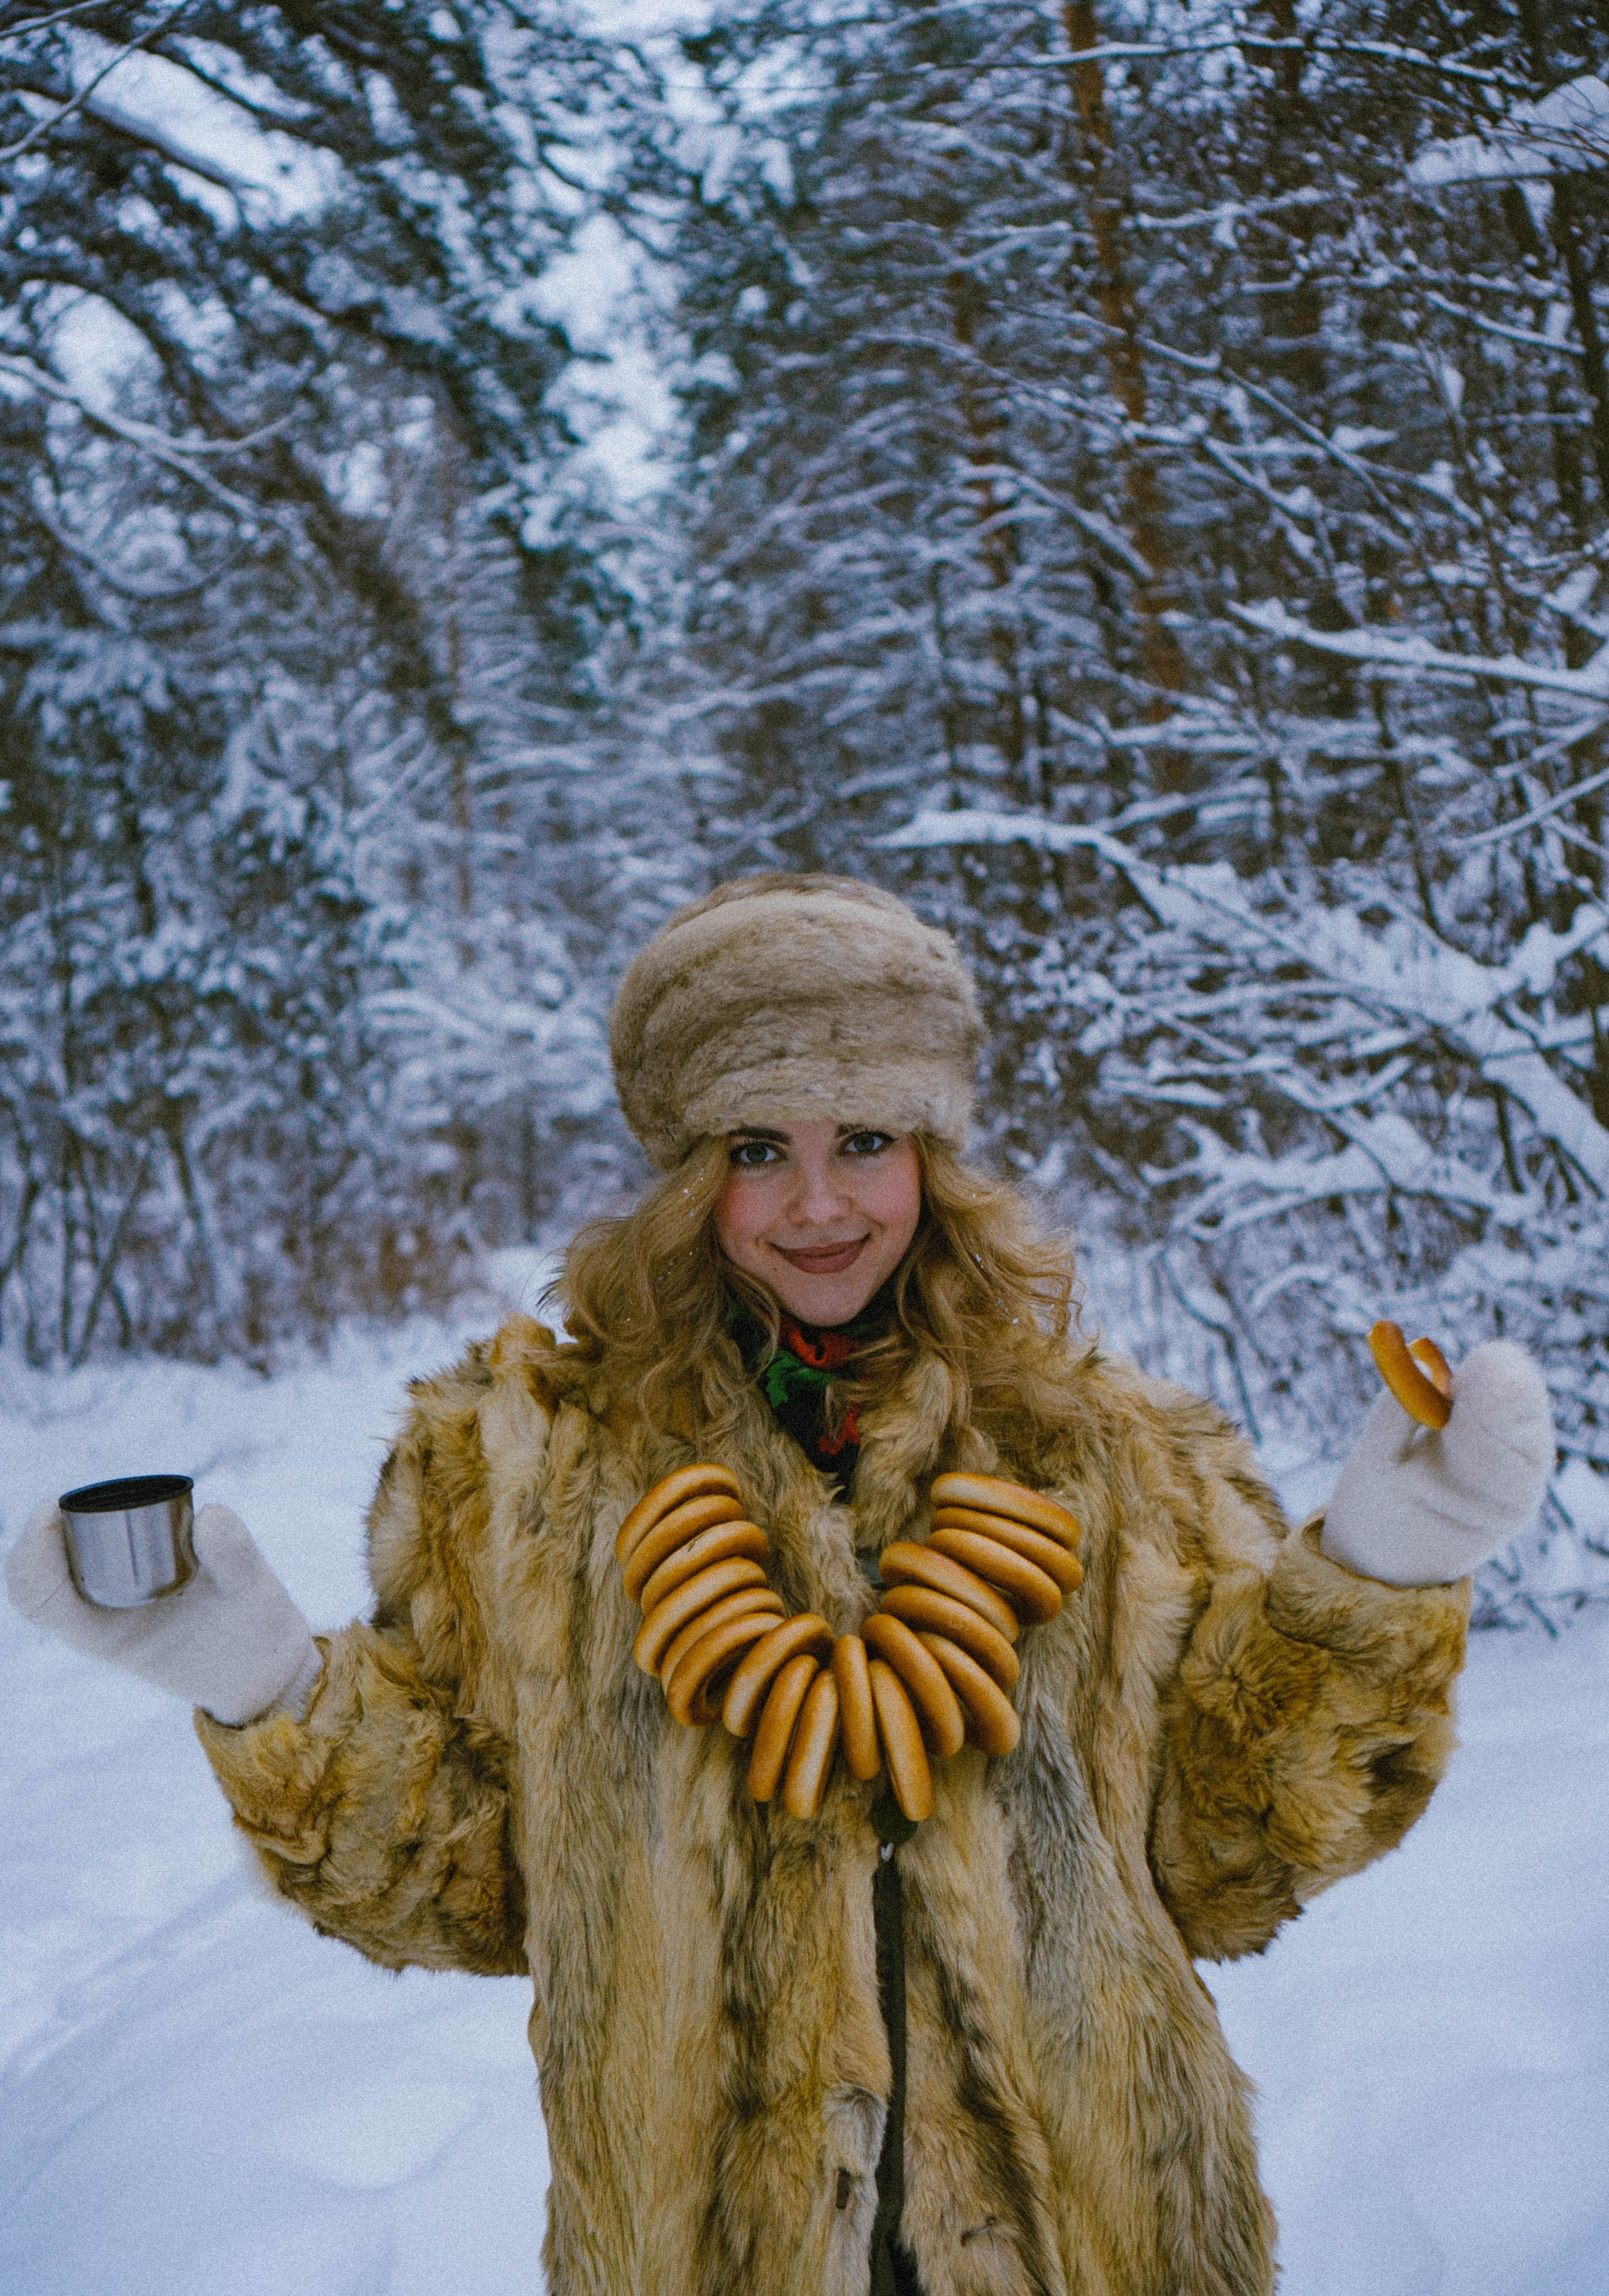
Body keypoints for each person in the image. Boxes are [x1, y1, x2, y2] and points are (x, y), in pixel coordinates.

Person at [8, 872, 1554, 2296]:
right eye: (760, 1151)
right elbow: (477, 1889)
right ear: (688, 1177)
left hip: (1100, 2241)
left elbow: (1222, 1865)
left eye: (863, 1142)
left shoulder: (1108, 1459)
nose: (818, 1205)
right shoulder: (525, 1482)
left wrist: (1372, 1574)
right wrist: (263, 1679)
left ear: (932, 1161)